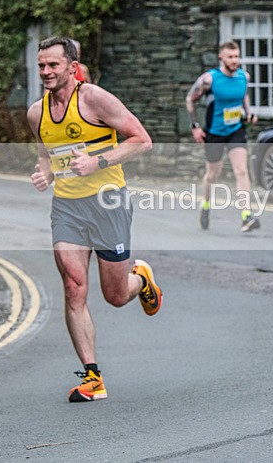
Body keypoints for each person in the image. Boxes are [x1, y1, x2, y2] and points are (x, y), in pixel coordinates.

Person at [27, 36, 162, 402]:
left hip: (108, 203)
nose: (46, 72)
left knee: (115, 296)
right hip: (68, 208)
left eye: (53, 65)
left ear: (72, 67)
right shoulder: (36, 113)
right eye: (41, 65)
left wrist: (98, 162)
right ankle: (92, 377)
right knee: (73, 288)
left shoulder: (95, 99)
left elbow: (142, 139)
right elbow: (46, 156)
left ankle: (141, 279)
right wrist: (45, 174)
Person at [185, 40, 260, 233]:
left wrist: (248, 112)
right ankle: (206, 205)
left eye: (237, 56)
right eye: (231, 57)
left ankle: (246, 215)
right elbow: (190, 99)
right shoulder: (209, 79)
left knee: (241, 171)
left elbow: (243, 96)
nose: (235, 60)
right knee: (212, 175)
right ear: (221, 57)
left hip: (236, 129)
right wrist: (195, 126)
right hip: (215, 132)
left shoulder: (244, 77)